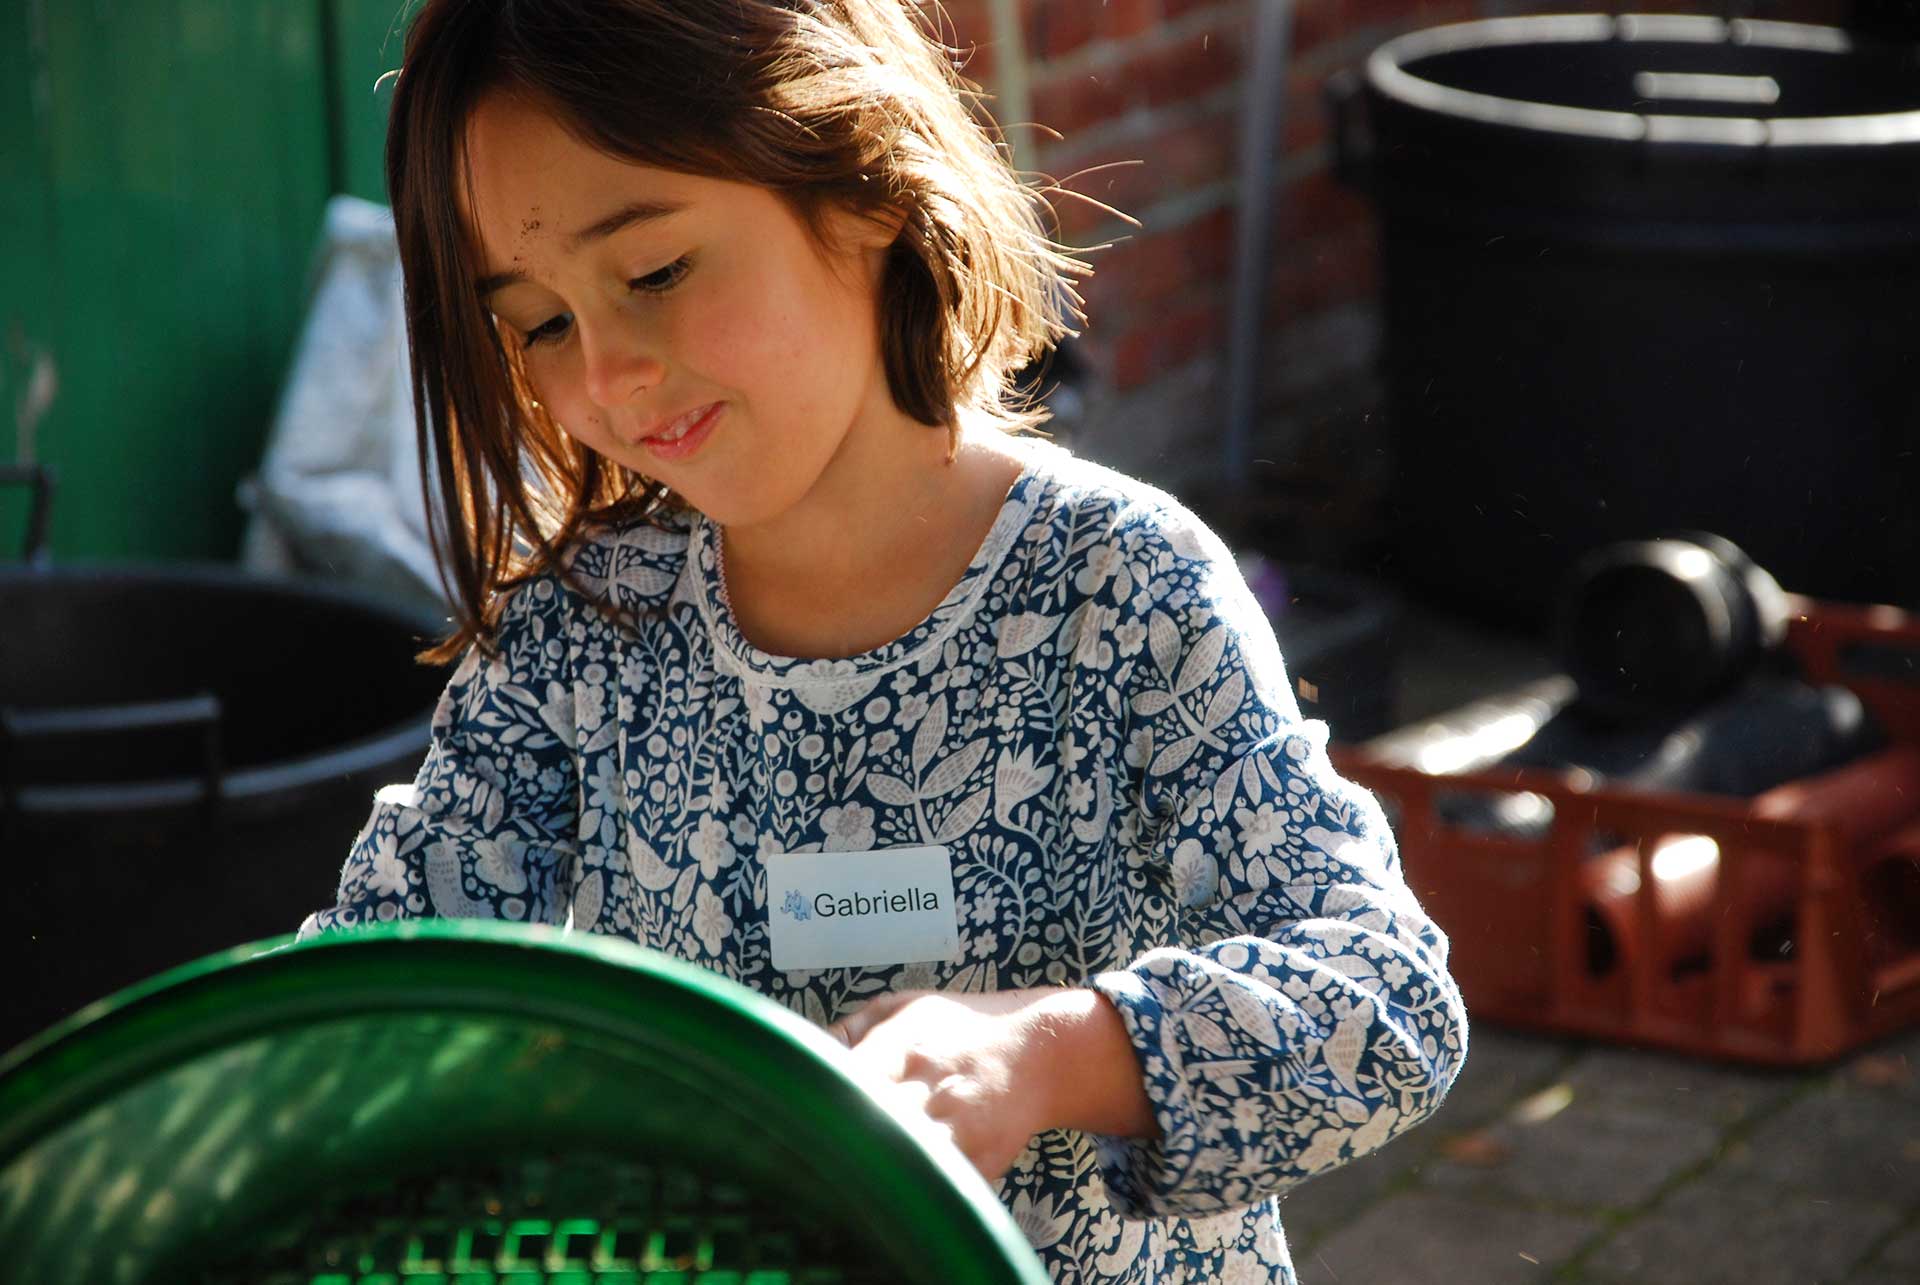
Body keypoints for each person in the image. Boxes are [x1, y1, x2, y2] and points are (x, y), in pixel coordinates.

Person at [298, 1, 1469, 1279]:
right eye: (540, 321)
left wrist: (1044, 1053)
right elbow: (369, 1014)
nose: (608, 375)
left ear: (860, 187)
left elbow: (1385, 1005)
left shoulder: (1122, 590)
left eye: (653, 273)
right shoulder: (576, 635)